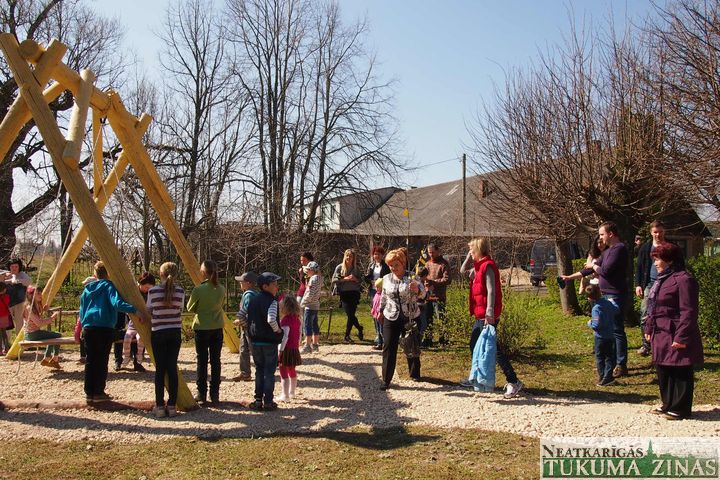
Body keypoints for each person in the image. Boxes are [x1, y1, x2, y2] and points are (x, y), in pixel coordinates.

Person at [644, 243, 703, 420]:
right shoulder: (661, 279)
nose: (655, 263)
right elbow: (653, 307)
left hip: (675, 330)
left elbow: (689, 311)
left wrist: (682, 336)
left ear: (669, 260)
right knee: (664, 368)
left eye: (658, 259)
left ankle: (680, 408)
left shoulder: (684, 279)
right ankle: (667, 403)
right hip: (660, 331)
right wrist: (649, 327)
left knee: (680, 369)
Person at [464, 238, 524, 399]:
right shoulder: (478, 266)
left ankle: (513, 381)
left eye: (471, 250)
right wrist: (468, 258)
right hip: (480, 313)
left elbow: (491, 291)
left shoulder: (488, 266)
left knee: (493, 349)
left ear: (478, 249)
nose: (470, 252)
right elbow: (463, 271)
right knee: (475, 345)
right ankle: (477, 376)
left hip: (488, 314)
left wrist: (489, 313)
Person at [80, 261, 142, 403]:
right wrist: (134, 310)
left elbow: (82, 310)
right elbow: (116, 303)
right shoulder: (109, 286)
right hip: (104, 327)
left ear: (95, 274)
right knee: (102, 360)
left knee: (90, 360)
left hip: (89, 327)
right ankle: (98, 392)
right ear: (109, 274)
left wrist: (84, 324)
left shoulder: (87, 289)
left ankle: (89, 392)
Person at [580, 221, 629, 378]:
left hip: (616, 294)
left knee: (617, 330)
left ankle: (621, 364)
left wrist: (594, 266)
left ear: (611, 234)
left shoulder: (619, 249)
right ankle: (611, 364)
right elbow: (590, 267)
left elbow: (605, 271)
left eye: (602, 234)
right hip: (605, 294)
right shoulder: (608, 251)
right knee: (608, 329)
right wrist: (570, 277)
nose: (600, 237)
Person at [635, 221, 685, 357]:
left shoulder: (672, 247)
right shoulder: (646, 248)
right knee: (645, 314)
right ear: (651, 232)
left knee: (665, 314)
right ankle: (646, 344)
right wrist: (638, 284)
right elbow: (639, 267)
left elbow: (681, 265)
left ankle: (665, 342)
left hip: (667, 284)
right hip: (650, 285)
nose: (658, 234)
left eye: (661, 232)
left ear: (664, 232)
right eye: (655, 232)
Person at [379, 247, 425, 389]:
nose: (393, 268)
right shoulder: (386, 278)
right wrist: (380, 311)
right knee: (388, 346)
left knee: (411, 344)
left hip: (410, 317)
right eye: (390, 265)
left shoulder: (412, 277)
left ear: (403, 263)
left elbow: (423, 294)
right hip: (390, 316)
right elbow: (384, 296)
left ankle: (414, 373)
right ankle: (386, 379)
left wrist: (417, 290)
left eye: (396, 265)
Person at [147, 262, 185, 418]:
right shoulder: (180, 291)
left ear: (160, 274)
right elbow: (180, 309)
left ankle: (160, 406)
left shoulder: (153, 291)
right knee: (172, 368)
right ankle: (172, 405)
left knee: (160, 370)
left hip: (158, 332)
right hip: (174, 332)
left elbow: (149, 310)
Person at [187, 260, 226, 405]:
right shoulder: (221, 288)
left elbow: (190, 307)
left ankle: (201, 393)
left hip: (202, 327)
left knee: (202, 361)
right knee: (216, 361)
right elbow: (221, 305)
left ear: (203, 272)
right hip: (217, 327)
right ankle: (215, 394)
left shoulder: (199, 289)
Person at [247, 272, 283, 411]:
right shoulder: (272, 301)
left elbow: (242, 314)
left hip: (255, 341)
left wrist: (248, 327)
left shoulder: (253, 300)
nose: (277, 287)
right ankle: (268, 401)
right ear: (265, 286)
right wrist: (278, 330)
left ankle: (257, 401)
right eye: (274, 284)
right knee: (269, 372)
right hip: (269, 341)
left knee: (259, 371)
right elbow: (271, 319)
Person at [120, 272, 155, 372]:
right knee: (127, 338)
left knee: (141, 339)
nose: (147, 289)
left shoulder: (151, 294)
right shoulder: (134, 293)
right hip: (133, 323)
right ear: (140, 284)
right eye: (146, 287)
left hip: (144, 323)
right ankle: (126, 357)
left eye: (150, 288)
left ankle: (139, 359)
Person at [585, 284, 618, 387]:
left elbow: (596, 325)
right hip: (610, 335)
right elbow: (617, 310)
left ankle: (603, 376)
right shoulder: (608, 303)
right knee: (609, 357)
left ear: (589, 298)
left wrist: (589, 323)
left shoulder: (596, 308)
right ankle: (608, 376)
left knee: (600, 357)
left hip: (600, 337)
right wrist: (613, 302)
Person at [23, 286, 62, 369]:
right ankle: (50, 359)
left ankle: (51, 359)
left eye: (41, 293)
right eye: (38, 293)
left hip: (34, 333)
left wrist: (44, 310)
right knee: (57, 336)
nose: (41, 295)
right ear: (31, 295)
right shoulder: (29, 308)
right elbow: (39, 323)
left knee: (55, 336)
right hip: (32, 334)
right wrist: (52, 318)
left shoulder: (36, 306)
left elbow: (37, 319)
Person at [422, 243, 451, 346]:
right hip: (428, 295)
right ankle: (428, 339)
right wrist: (425, 282)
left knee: (441, 318)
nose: (431, 254)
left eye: (433, 252)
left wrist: (433, 282)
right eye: (429, 252)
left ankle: (443, 339)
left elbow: (447, 279)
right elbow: (423, 277)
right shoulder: (427, 264)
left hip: (439, 296)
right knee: (428, 318)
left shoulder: (443, 264)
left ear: (438, 251)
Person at [332, 249, 364, 342]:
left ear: (353, 258)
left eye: (351, 256)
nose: (349, 258)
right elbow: (334, 280)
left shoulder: (356, 268)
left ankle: (347, 335)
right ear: (345, 256)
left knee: (351, 315)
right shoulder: (340, 267)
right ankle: (359, 328)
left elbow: (361, 280)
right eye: (347, 256)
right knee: (349, 314)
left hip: (354, 293)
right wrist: (345, 279)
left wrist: (355, 279)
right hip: (344, 293)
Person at [233, 271, 259, 382]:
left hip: (249, 327)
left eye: (241, 281)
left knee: (254, 350)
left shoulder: (249, 295)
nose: (240, 283)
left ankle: (261, 371)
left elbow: (248, 312)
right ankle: (245, 373)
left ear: (248, 283)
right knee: (243, 349)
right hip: (246, 327)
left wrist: (240, 321)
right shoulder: (253, 293)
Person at [364, 246, 390, 349]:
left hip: (383, 292)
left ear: (382, 255)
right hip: (373, 291)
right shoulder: (371, 265)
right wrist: (369, 280)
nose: (377, 256)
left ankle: (383, 340)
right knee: (375, 314)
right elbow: (367, 277)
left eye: (379, 254)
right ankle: (378, 338)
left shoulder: (386, 266)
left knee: (381, 314)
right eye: (375, 254)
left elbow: (388, 277)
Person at [278, 295, 302, 402]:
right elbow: (300, 334)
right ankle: (292, 392)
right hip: (294, 348)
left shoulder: (285, 321)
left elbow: (284, 337)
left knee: (283, 372)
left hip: (286, 349)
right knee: (292, 370)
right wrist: (298, 344)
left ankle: (285, 395)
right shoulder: (297, 319)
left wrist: (280, 350)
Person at [2, 258, 32, 335]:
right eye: (12, 266)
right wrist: (8, 280)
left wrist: (17, 281)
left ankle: (20, 341)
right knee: (7, 325)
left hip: (20, 303)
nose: (14, 268)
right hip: (7, 304)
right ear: (9, 267)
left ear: (19, 267)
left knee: (20, 324)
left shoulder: (22, 274)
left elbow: (29, 281)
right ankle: (6, 342)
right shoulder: (5, 274)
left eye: (16, 266)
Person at [300, 261, 322, 353]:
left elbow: (310, 293)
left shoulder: (313, 279)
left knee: (307, 325)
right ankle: (315, 344)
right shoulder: (319, 278)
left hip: (309, 306)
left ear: (312, 270)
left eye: (308, 270)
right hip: (316, 305)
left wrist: (303, 303)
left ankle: (307, 345)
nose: (307, 271)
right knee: (314, 325)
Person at [370, 277, 384, 351]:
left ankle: (385, 344)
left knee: (382, 331)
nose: (376, 288)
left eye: (378, 287)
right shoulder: (376, 294)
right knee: (378, 330)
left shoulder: (383, 295)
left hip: (381, 316)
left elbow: (382, 305)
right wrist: (373, 309)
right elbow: (374, 303)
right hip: (376, 315)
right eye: (376, 287)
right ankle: (379, 344)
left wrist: (380, 312)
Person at [0, 282, 11, 355]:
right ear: (4, 290)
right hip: (4, 316)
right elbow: (8, 302)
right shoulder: (7, 296)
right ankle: (6, 349)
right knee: (4, 333)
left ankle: (0, 351)